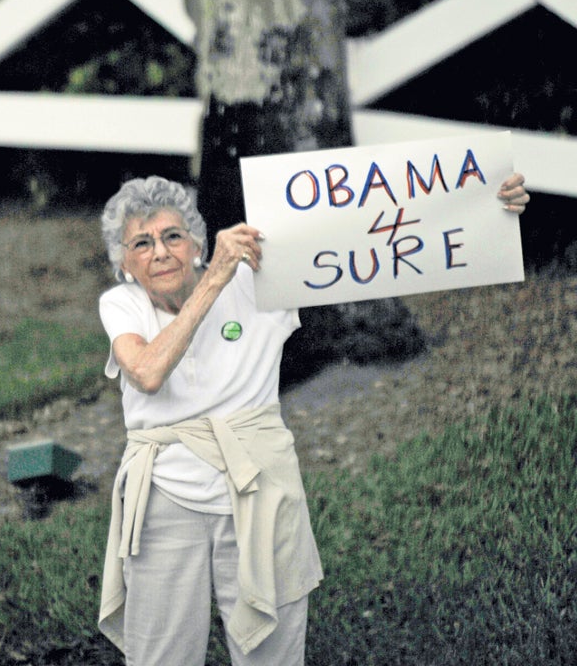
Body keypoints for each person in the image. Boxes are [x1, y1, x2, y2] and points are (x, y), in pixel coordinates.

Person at [95, 174, 529, 665]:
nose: (160, 252)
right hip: (164, 498)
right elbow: (149, 371)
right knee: (160, 656)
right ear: (124, 263)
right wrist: (214, 279)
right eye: (142, 243)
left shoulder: (258, 279)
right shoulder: (122, 304)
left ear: (196, 242)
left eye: (173, 236)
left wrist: (488, 209)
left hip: (259, 488)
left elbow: (375, 239)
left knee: (272, 652)